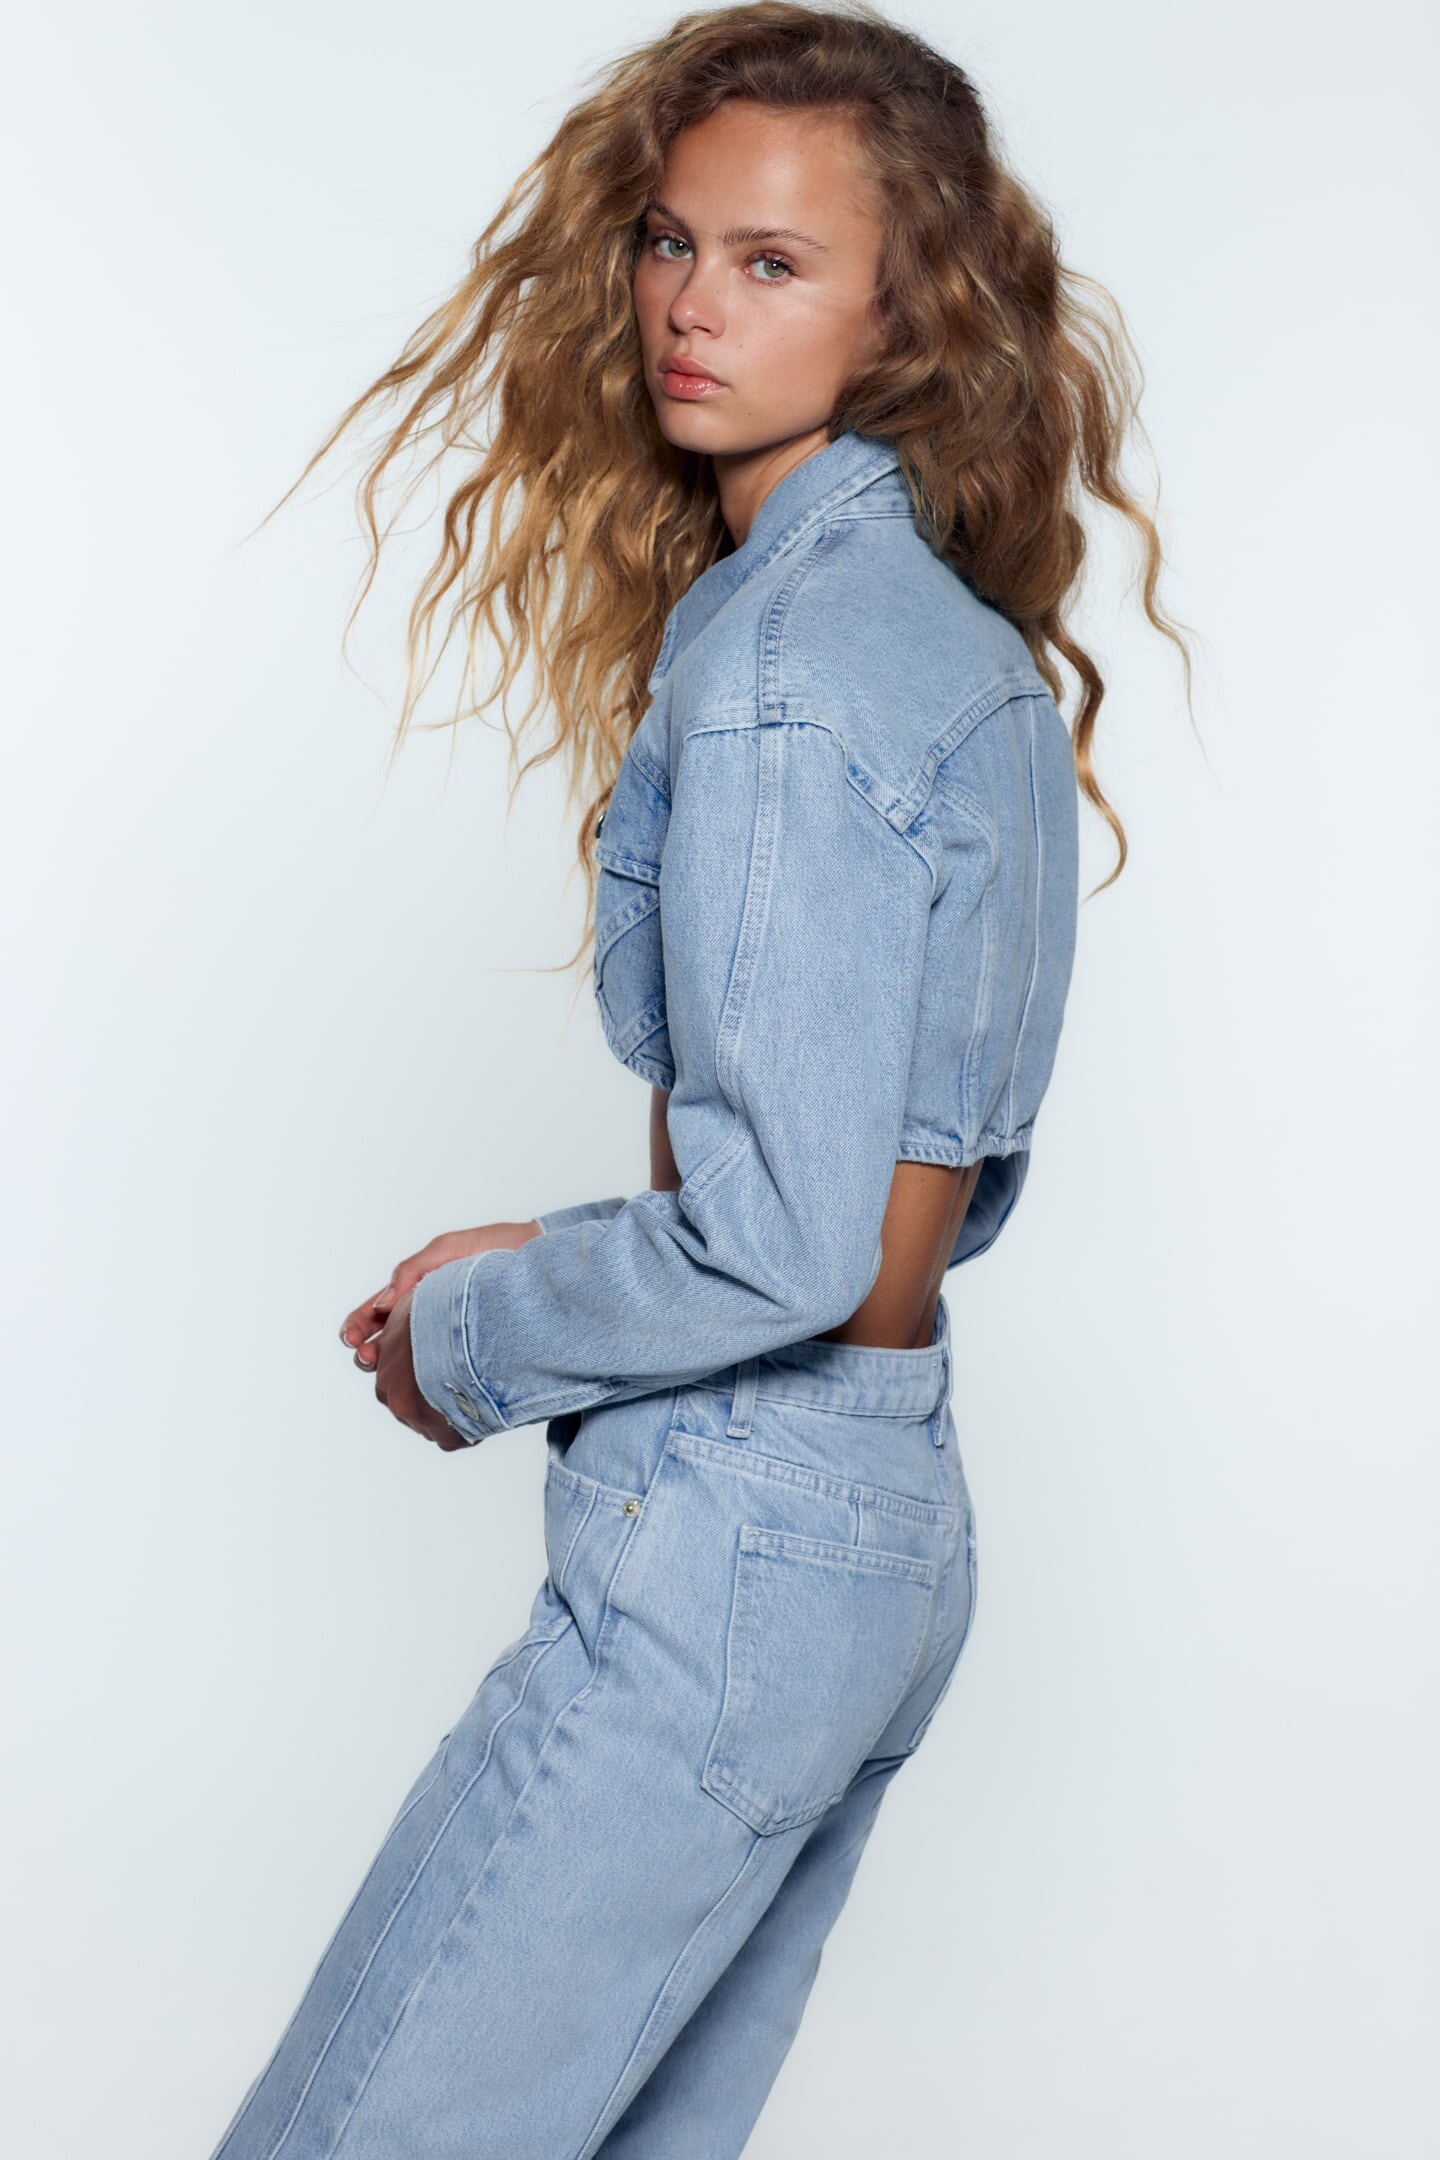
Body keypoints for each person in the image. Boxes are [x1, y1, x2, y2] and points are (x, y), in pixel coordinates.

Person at [209, 5, 1192, 2154]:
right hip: (889, 1529)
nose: (688, 305)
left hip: (739, 1538)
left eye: (772, 262)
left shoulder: (782, 677)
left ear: (905, 314)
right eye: (671, 242)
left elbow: (783, 1248)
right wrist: (566, 1246)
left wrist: (481, 1327)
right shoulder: (967, 659)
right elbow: (879, 1216)